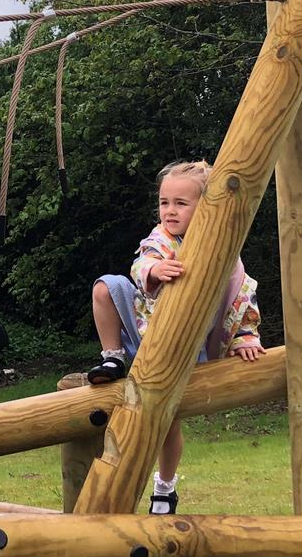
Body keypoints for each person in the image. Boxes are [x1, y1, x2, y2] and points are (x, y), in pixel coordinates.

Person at [86, 159, 265, 515]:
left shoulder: (221, 249)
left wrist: (245, 335)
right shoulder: (161, 238)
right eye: (164, 202)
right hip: (145, 334)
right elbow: (141, 263)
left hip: (189, 348)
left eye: (180, 204)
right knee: (105, 287)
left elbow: (240, 293)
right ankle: (114, 355)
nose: (169, 211)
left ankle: (164, 487)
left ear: (207, 206)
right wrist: (154, 269)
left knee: (168, 424)